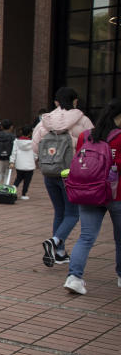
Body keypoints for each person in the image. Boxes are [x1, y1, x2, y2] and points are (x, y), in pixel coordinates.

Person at [63, 100, 121, 295]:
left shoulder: (86, 136)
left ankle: (74, 277)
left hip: (88, 192)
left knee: (86, 237)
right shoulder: (120, 138)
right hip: (116, 194)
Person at [33, 87, 94, 267]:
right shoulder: (82, 120)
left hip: (49, 172)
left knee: (59, 211)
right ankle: (56, 241)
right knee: (73, 213)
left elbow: (35, 147)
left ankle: (59, 253)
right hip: (71, 173)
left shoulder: (46, 120)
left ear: (56, 102)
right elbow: (93, 145)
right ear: (75, 101)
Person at [10, 125, 36, 200]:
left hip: (19, 164)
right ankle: (23, 194)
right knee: (27, 181)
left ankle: (13, 190)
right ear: (30, 133)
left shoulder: (16, 141)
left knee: (18, 178)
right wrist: (34, 159)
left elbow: (13, 152)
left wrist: (12, 161)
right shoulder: (33, 142)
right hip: (30, 165)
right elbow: (35, 153)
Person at [0, 119, 16, 185]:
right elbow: (14, 148)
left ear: (2, 127)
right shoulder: (12, 136)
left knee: (0, 173)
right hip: (9, 158)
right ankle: (5, 189)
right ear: (11, 127)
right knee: (7, 174)